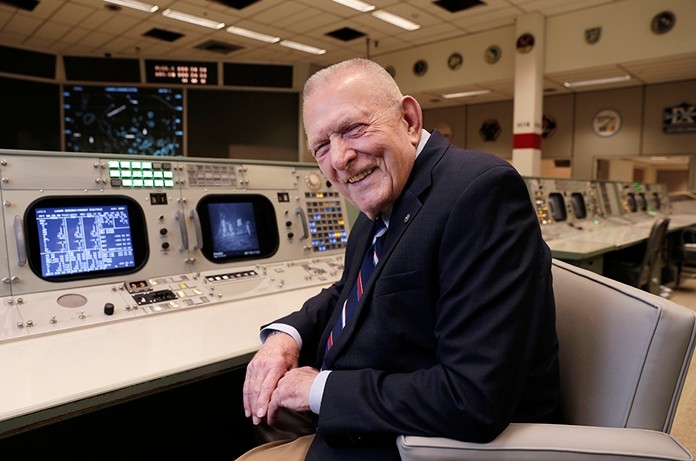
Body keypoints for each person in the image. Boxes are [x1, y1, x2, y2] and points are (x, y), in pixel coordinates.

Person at [238, 58, 560, 460]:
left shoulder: (479, 191)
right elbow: (349, 290)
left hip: (416, 447)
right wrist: (286, 336)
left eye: (353, 128)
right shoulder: (383, 200)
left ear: (408, 120)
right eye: (321, 146)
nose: (339, 159)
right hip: (369, 419)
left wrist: (319, 389)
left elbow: (473, 398)